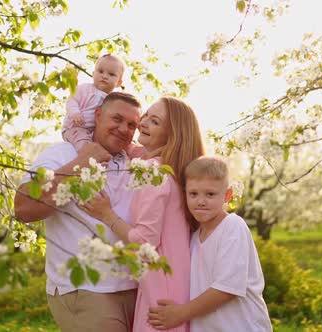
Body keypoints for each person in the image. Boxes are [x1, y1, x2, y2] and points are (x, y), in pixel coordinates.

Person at [14, 91, 142, 332]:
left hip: (136, 289)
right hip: (86, 290)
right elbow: (23, 208)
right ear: (98, 115)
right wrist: (80, 163)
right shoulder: (61, 153)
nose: (123, 129)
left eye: (132, 124)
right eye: (117, 119)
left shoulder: (136, 164)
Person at [81, 97, 206, 332]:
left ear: (172, 135)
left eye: (154, 121)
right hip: (174, 282)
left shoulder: (153, 173)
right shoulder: (164, 167)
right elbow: (127, 146)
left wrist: (107, 215)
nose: (142, 123)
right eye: (145, 116)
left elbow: (145, 240)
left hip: (160, 291)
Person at [147, 157, 273, 332]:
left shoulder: (232, 227)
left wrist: (180, 313)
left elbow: (226, 290)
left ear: (227, 196)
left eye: (210, 194)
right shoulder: (194, 238)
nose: (200, 201)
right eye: (193, 194)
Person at [62, 54, 125, 151]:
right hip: (75, 128)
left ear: (119, 83)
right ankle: (88, 157)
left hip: (93, 133)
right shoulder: (84, 89)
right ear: (93, 74)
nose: (104, 76)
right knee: (83, 142)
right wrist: (75, 113)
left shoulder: (113, 100)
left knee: (105, 145)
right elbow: (72, 100)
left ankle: (102, 162)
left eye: (111, 74)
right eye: (100, 71)